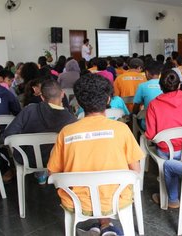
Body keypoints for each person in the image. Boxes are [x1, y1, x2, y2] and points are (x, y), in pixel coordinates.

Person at [48, 73, 144, 235]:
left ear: (78, 102)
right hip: (116, 200)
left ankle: (101, 226)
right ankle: (107, 226)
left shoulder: (66, 132)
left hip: (78, 202)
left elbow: (52, 174)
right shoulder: (121, 130)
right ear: (108, 100)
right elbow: (135, 171)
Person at [3, 79, 76, 184]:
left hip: (27, 159)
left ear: (42, 97)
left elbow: (8, 134)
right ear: (63, 94)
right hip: (57, 162)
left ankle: (40, 174)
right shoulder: (71, 120)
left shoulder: (29, 110)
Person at [132, 61, 163, 130]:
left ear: (147, 73)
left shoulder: (142, 86)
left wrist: (134, 114)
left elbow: (136, 105)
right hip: (164, 123)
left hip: (149, 125)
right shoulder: (165, 84)